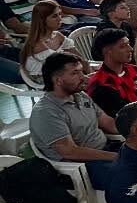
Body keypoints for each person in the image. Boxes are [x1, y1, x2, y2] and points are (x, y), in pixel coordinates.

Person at [29, 52, 118, 189]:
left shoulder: (81, 96)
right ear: (57, 80)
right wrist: (115, 156)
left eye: (81, 71)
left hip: (107, 150)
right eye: (75, 73)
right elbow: (71, 152)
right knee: (135, 174)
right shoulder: (46, 112)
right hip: (83, 167)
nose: (83, 77)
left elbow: (109, 123)